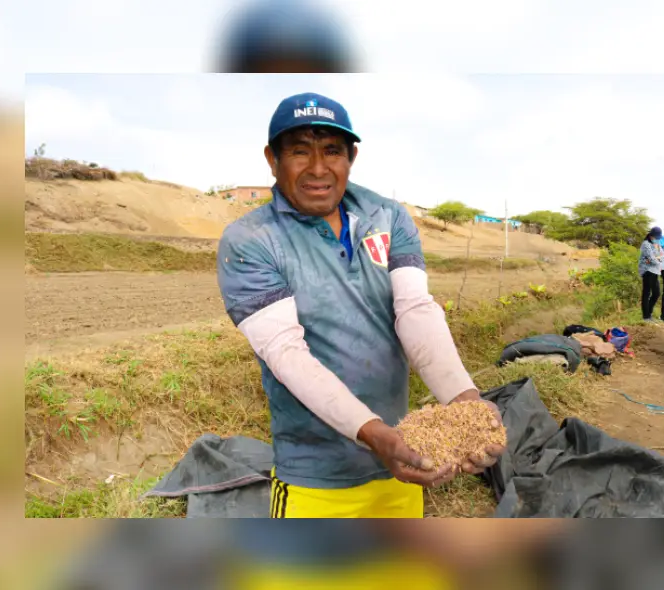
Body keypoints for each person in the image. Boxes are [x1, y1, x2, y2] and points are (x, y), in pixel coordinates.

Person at [216, 92, 505, 518]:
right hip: (314, 480)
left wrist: (464, 400)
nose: (318, 168)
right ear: (272, 159)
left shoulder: (386, 216)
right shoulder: (250, 240)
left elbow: (415, 309)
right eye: (299, 152)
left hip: (401, 466)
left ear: (351, 156)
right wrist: (375, 435)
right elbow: (285, 353)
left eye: (332, 151)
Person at [639, 226, 664, 322]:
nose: (657, 239)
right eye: (655, 237)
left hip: (655, 271)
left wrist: (657, 259)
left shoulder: (657, 244)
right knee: (646, 293)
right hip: (647, 271)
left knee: (656, 293)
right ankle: (646, 317)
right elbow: (651, 258)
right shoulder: (646, 244)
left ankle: (649, 314)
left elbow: (662, 256)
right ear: (651, 235)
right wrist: (657, 259)